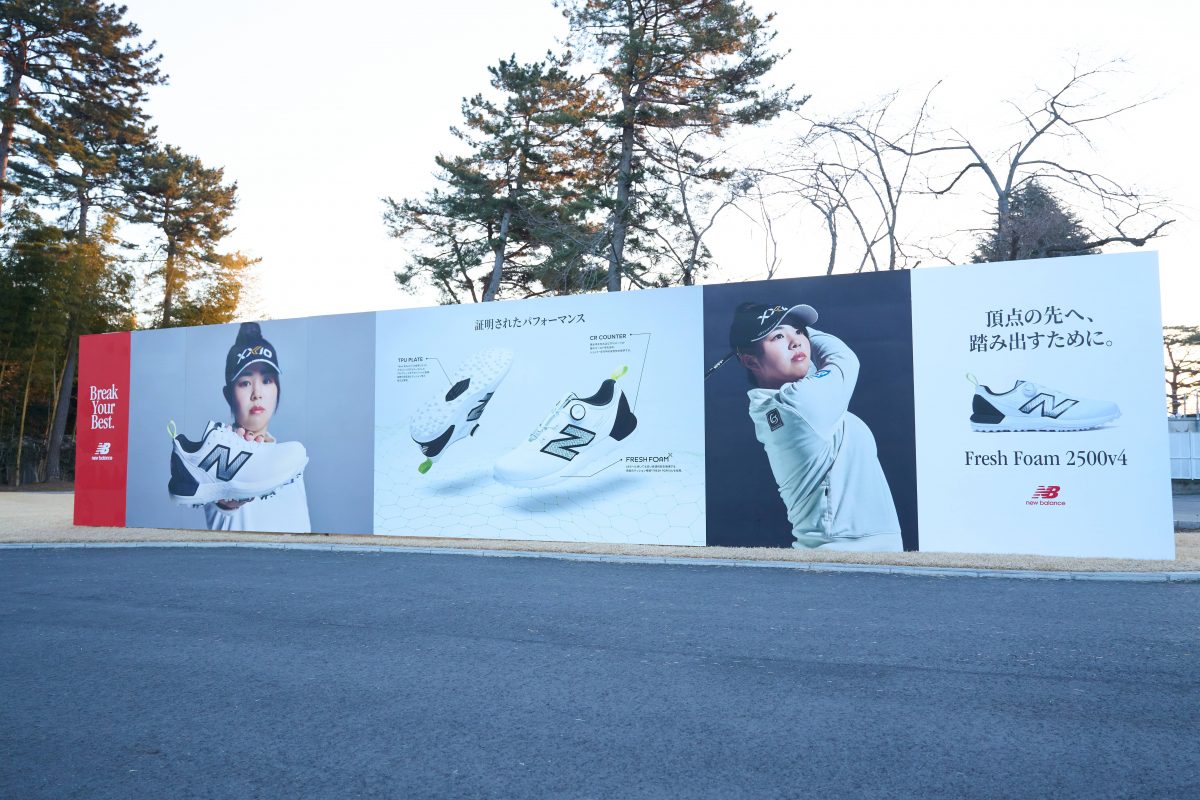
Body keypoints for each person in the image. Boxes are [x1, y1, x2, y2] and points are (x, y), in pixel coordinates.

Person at [729, 302, 902, 551]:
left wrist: (780, 322)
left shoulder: (778, 401)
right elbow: (843, 357)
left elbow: (804, 361)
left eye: (799, 331)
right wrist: (802, 329)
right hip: (842, 553)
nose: (796, 342)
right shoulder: (798, 403)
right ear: (751, 361)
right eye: (778, 337)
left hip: (857, 547)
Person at [203, 322, 311, 533]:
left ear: (278, 388)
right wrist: (228, 499)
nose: (257, 393)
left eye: (267, 380)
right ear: (228, 394)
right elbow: (224, 503)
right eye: (245, 382)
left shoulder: (289, 457)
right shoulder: (218, 454)